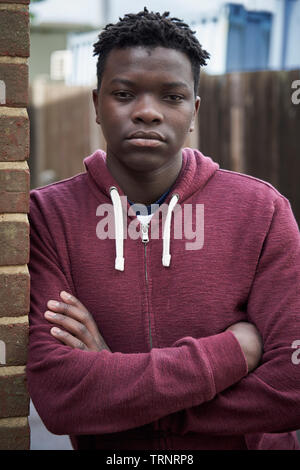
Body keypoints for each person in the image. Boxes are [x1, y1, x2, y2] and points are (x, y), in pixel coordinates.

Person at [27, 8, 300, 450]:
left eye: (171, 97)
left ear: (193, 110)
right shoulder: (48, 216)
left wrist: (128, 400)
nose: (148, 112)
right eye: (124, 93)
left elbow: (290, 387)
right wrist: (233, 354)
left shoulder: (261, 211)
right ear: (96, 104)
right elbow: (59, 396)